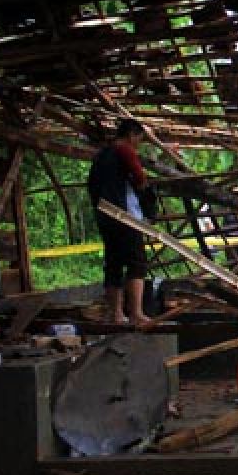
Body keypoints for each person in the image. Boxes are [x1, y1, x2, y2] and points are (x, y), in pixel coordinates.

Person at [86, 118, 151, 324]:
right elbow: (139, 178)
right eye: (138, 139)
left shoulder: (101, 155)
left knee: (113, 263)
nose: (138, 144)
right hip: (125, 216)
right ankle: (136, 313)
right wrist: (143, 185)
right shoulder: (124, 150)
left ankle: (116, 314)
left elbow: (91, 185)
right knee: (136, 262)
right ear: (132, 134)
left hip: (105, 214)